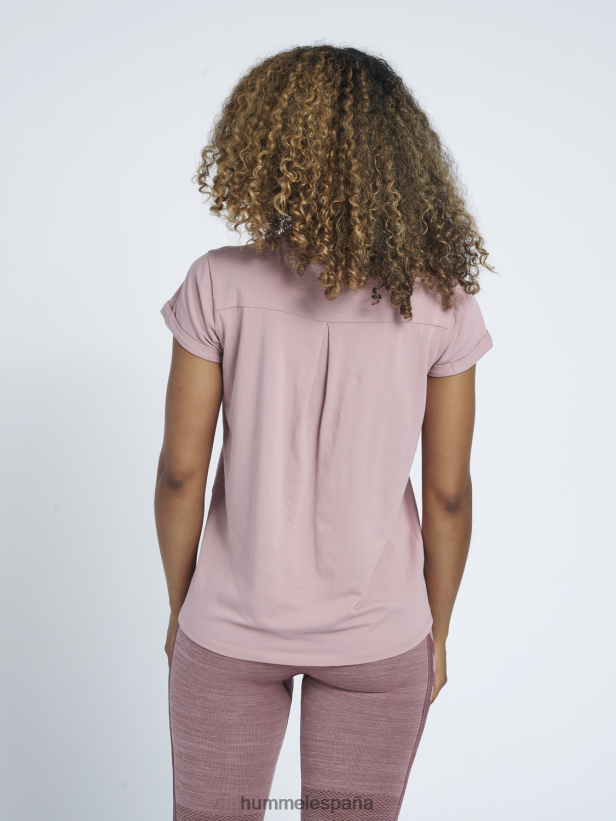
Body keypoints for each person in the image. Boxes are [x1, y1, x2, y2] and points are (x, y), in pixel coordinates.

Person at [154, 44, 494, 821]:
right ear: (401, 158)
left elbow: (181, 472)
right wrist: (438, 632)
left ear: (266, 148)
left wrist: (182, 606)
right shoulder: (442, 302)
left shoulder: (218, 282)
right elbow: (448, 494)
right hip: (379, 636)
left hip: (230, 628)